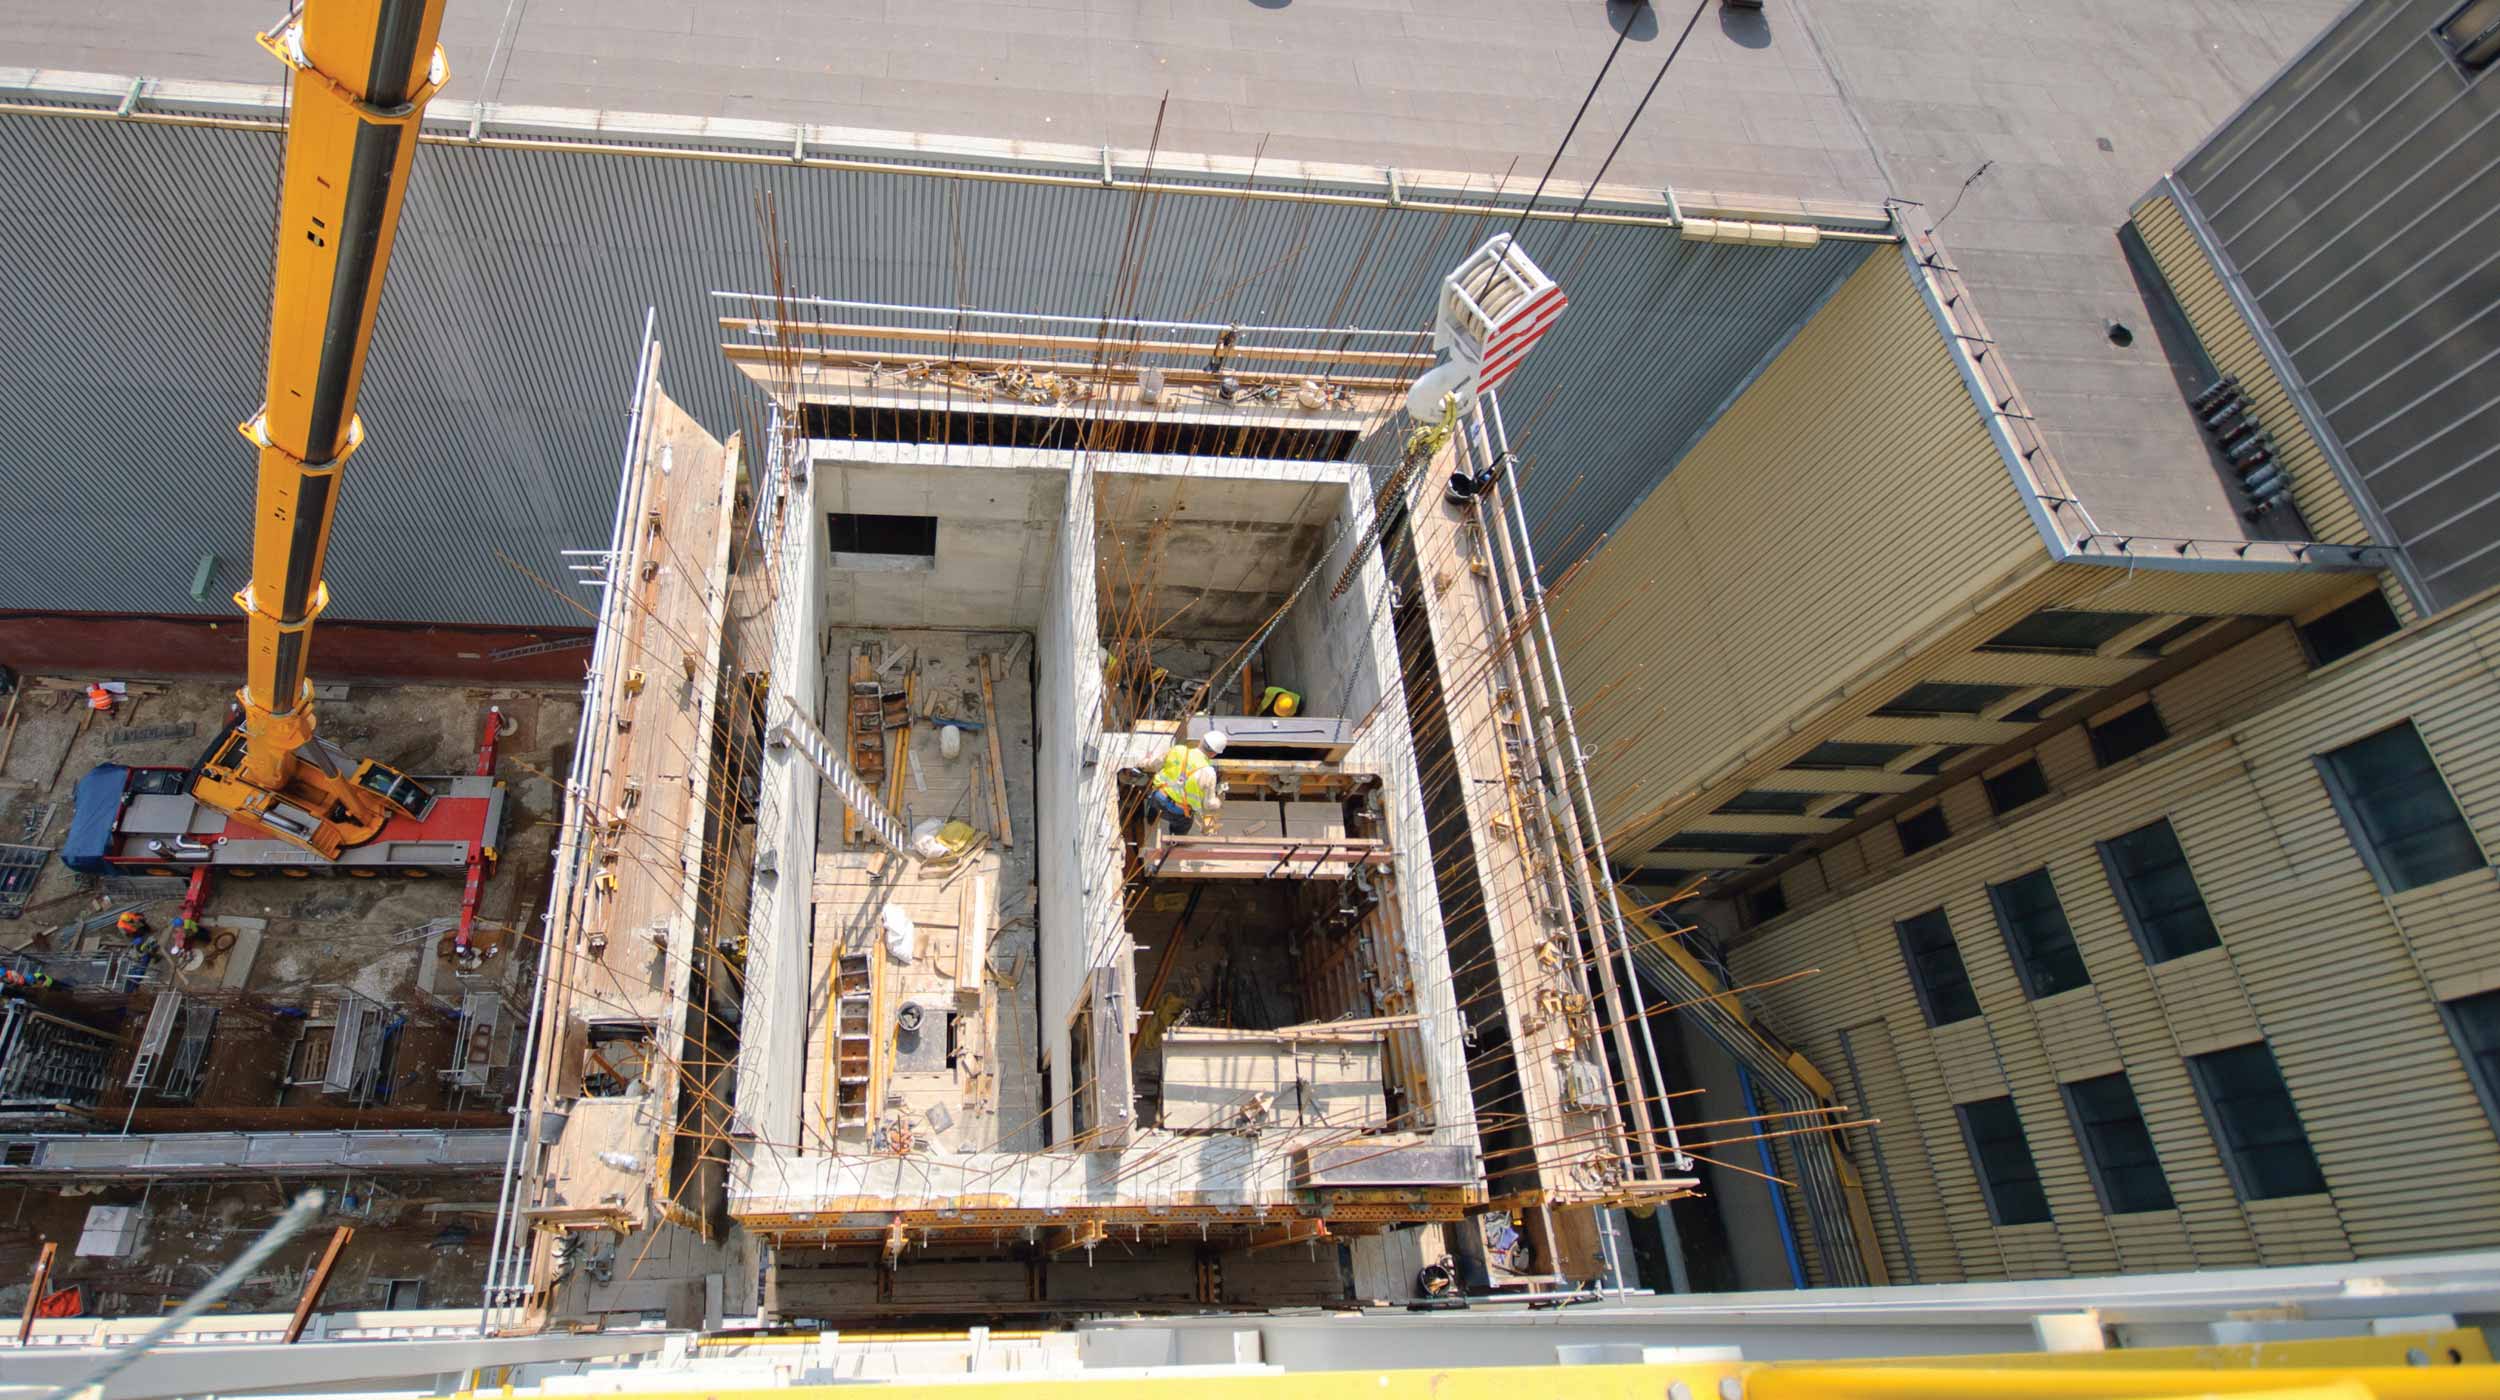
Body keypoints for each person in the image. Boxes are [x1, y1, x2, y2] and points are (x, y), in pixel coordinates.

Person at [1148, 729, 1227, 835]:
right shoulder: (1208, 772)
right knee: (1184, 824)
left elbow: (1155, 764)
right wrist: (1218, 802)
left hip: (1160, 796)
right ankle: (1175, 840)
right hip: (1179, 810)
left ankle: (1150, 820)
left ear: (1201, 741)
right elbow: (1208, 804)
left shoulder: (1178, 750)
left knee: (1154, 807)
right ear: (1213, 754)